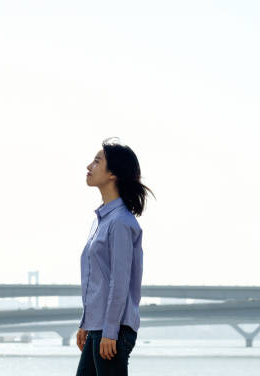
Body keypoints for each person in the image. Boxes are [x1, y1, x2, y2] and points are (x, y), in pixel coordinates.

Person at [76, 137, 153, 376]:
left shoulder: (120, 222)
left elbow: (119, 282)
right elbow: (98, 279)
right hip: (99, 327)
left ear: (113, 174)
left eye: (97, 162)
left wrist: (110, 331)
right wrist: (85, 322)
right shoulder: (101, 221)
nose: (89, 166)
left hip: (113, 329)